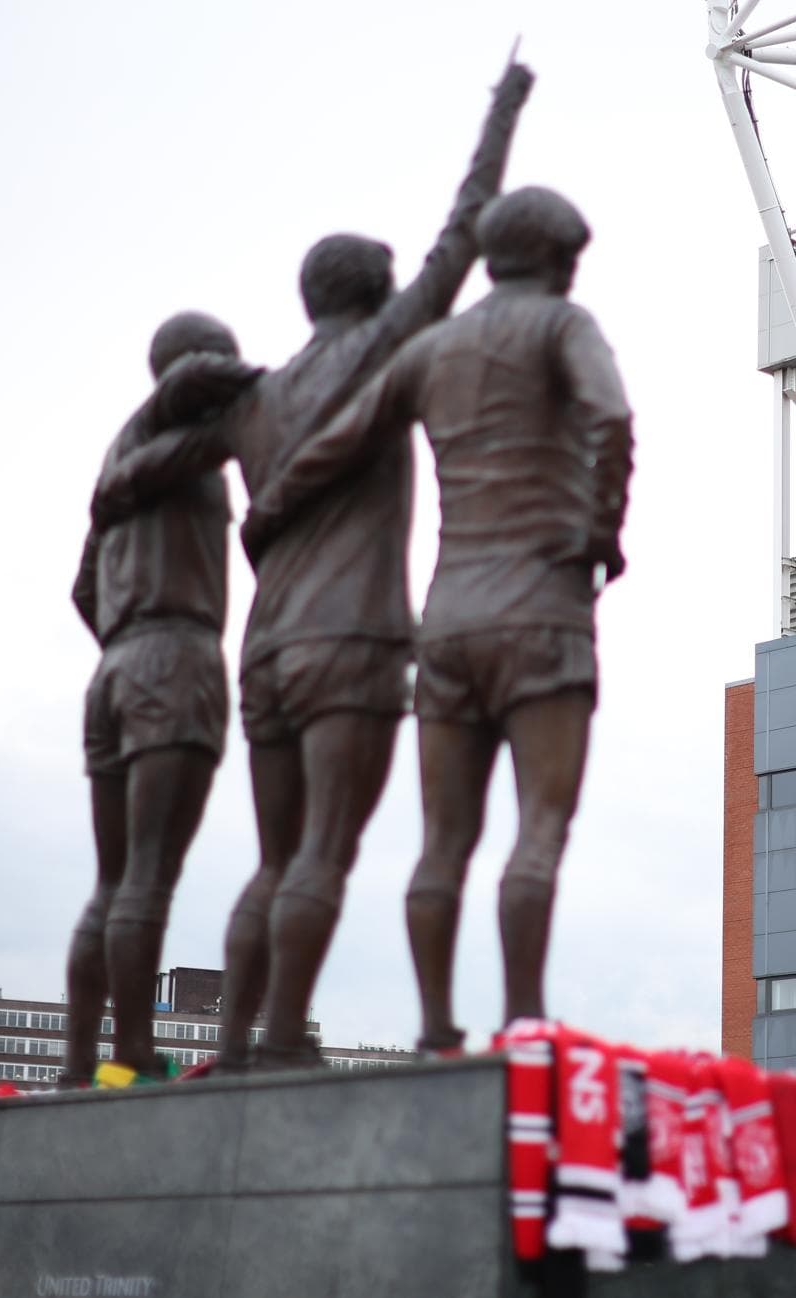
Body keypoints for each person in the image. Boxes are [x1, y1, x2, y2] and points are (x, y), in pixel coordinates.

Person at [88, 62, 532, 1066]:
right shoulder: (382, 345)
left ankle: (239, 1043)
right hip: (353, 639)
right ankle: (282, 1036)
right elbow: (465, 231)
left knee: (273, 858)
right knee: (324, 850)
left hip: (264, 652)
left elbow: (132, 476)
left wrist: (163, 408)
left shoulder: (254, 398)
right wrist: (504, 109)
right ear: (373, 288)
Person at [243, 184, 633, 1048]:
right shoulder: (563, 327)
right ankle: (525, 1023)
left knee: (442, 841)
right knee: (538, 826)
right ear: (560, 259)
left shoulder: (432, 349)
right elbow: (610, 418)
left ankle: (432, 1029)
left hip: (448, 620)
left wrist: (265, 514)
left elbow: (331, 446)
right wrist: (597, 533)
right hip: (542, 607)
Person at [65, 311, 261, 1079]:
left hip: (114, 668)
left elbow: (83, 587)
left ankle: (84, 1062)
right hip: (174, 658)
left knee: (111, 881)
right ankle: (135, 1054)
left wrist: (125, 639)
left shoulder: (121, 459)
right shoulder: (182, 449)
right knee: (148, 875)